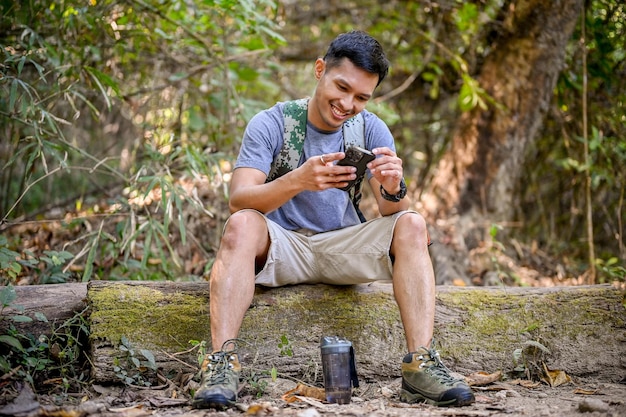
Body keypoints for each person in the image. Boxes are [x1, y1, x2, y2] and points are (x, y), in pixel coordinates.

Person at [192, 30, 475, 409]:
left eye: (361, 97)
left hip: (343, 248)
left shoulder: (370, 128)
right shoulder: (272, 123)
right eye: (341, 87)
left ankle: (420, 364)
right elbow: (239, 199)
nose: (347, 103)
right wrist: (299, 180)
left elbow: (394, 214)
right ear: (320, 69)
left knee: (413, 224)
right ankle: (222, 364)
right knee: (242, 224)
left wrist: (393, 186)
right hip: (281, 247)